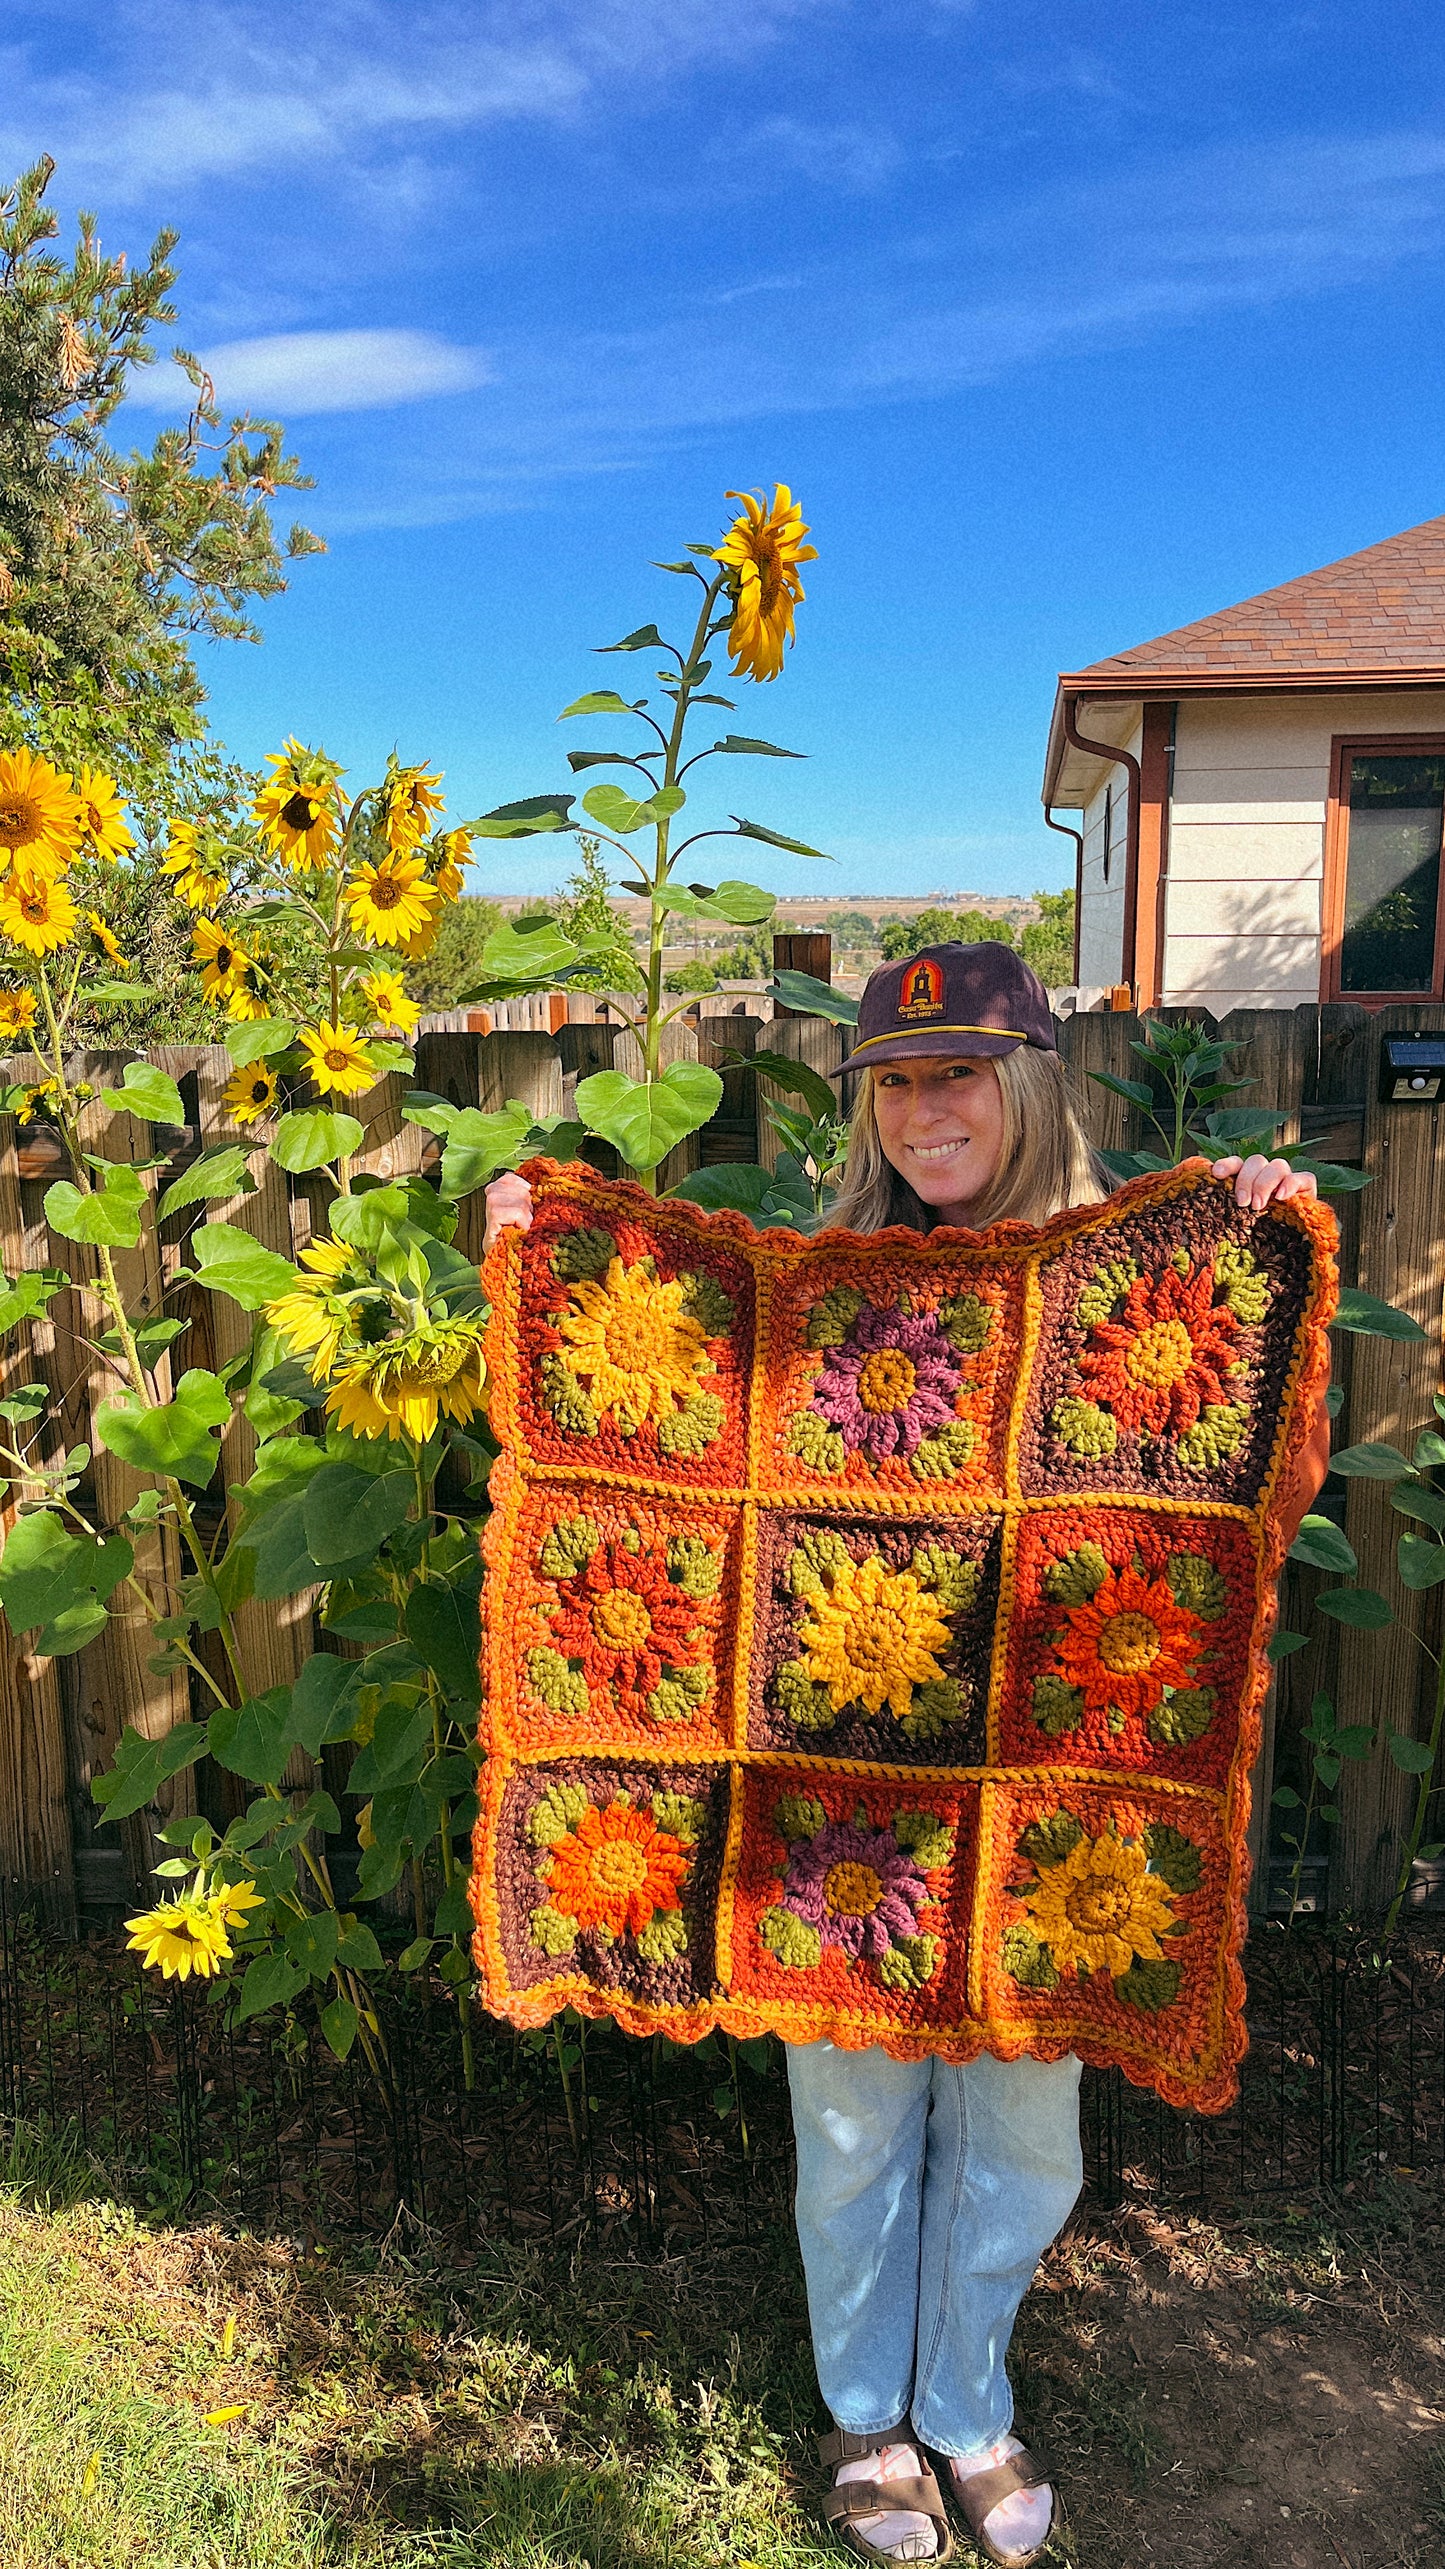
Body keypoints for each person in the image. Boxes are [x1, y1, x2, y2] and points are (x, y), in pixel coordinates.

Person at [483, 942, 1331, 2568]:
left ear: (1029, 1080)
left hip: (1046, 1810)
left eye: (958, 1073)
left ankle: (967, 2403)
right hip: (833, 1811)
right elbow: (643, 1421)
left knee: (1025, 2141)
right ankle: (868, 2416)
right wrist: (542, 1259)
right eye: (895, 1080)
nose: (924, 1108)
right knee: (854, 2133)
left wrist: (1255, 1254)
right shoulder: (816, 1294)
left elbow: (1258, 1495)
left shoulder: (1131, 1288)